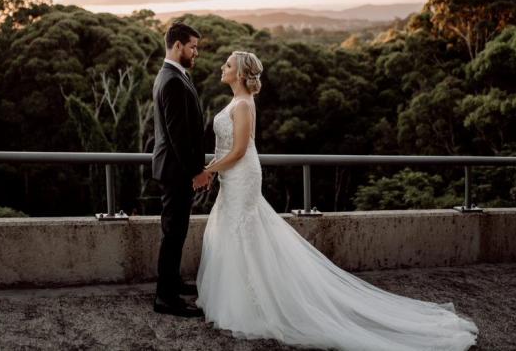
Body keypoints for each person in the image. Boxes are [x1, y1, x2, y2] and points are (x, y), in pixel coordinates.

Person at [194, 50, 479, 350]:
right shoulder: (237, 101)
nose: (221, 67)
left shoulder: (242, 104)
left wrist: (207, 170)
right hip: (232, 175)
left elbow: (239, 150)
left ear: (239, 74)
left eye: (227, 65)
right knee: (236, 230)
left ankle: (254, 305)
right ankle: (240, 297)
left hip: (242, 174)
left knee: (243, 231)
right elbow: (226, 147)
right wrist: (214, 170)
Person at [151, 21, 212, 318]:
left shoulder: (172, 75)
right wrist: (195, 171)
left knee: (176, 231)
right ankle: (165, 297)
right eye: (192, 47)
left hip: (175, 169)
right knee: (173, 233)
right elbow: (177, 135)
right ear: (177, 46)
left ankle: (172, 282)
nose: (195, 52)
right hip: (176, 171)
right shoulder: (172, 80)